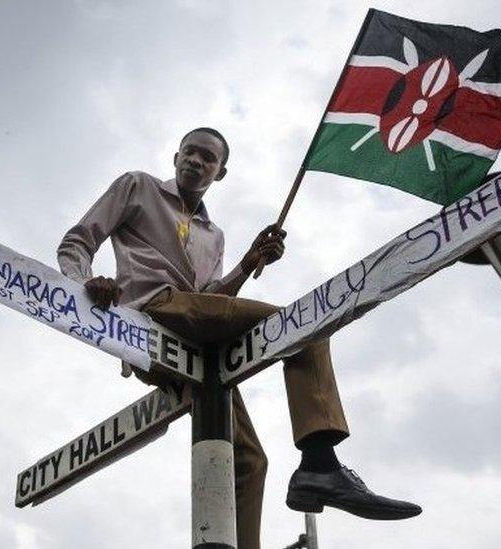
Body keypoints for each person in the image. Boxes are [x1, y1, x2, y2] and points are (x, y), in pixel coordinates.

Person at [58, 127, 420, 549]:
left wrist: (249, 263)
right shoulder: (137, 186)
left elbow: (210, 301)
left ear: (221, 172)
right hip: (152, 317)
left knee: (249, 460)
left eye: (207, 157)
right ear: (176, 156)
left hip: (196, 347)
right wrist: (84, 284)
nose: (196, 160)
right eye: (190, 152)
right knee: (306, 324)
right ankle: (320, 462)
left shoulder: (215, 235)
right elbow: (76, 242)